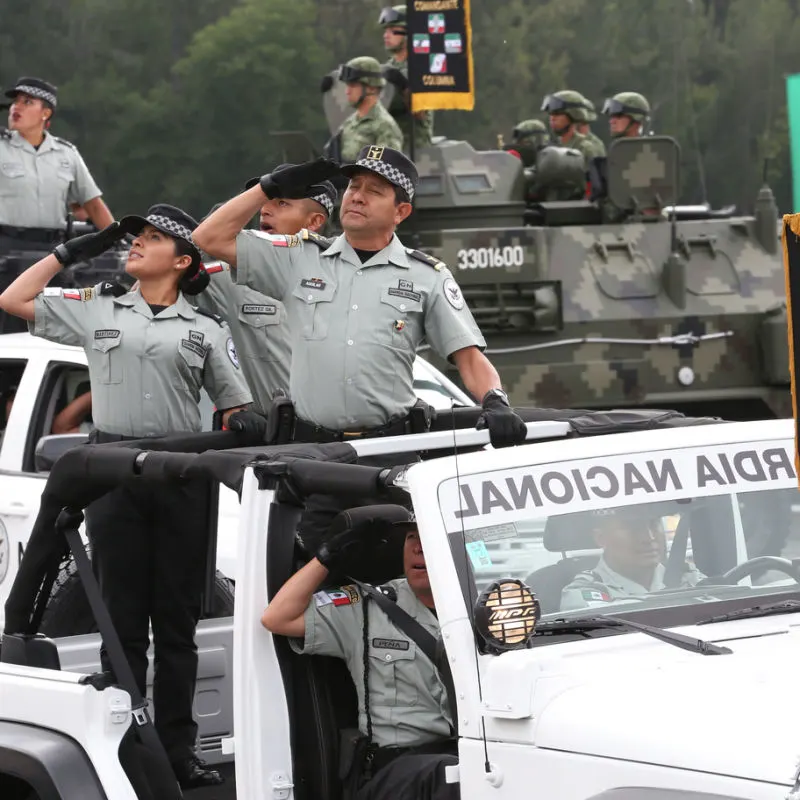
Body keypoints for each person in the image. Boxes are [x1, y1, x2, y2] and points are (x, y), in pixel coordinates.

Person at [0, 204, 254, 789]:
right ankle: (127, 749)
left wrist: (243, 425)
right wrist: (76, 250)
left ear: (183, 260)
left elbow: (235, 406)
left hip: (181, 475)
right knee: (120, 623)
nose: (135, 243)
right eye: (134, 236)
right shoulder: (99, 309)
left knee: (177, 621)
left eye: (151, 238)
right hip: (112, 471)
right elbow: (14, 299)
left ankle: (177, 748)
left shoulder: (206, 330)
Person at [193, 149, 528, 551]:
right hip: (315, 459)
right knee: (306, 589)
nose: (356, 196)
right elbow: (208, 238)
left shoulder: (426, 277)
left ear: (401, 211)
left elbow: (469, 357)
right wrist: (270, 187)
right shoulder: (299, 257)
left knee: (396, 579)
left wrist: (495, 400)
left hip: (388, 458)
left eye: (374, 191)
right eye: (353, 186)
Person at [261, 508, 458, 800]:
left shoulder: (493, 608)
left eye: (428, 536)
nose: (417, 548)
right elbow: (277, 618)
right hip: (394, 770)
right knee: (450, 777)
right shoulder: (367, 607)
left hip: (466, 755)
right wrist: (327, 557)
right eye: (411, 538)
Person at [197, 174, 338, 411]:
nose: (264, 210)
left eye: (282, 203)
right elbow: (156, 294)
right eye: (265, 201)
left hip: (341, 434)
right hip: (266, 436)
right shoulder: (225, 277)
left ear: (314, 222)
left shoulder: (345, 272)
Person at [1, 77, 113, 240]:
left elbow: (93, 205)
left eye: (27, 102)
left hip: (52, 251)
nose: (16, 107)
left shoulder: (66, 153)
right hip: (6, 248)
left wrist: (118, 240)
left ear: (45, 113)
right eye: (15, 101)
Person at [560, 506, 703, 611]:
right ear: (601, 538)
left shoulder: (688, 578)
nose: (649, 538)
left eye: (654, 524)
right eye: (633, 527)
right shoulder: (583, 594)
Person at [378, 5, 434, 151]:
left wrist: (404, 86)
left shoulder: (423, 67)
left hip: (416, 151)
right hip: (390, 148)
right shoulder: (387, 68)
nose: (386, 35)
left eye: (392, 30)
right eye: (385, 30)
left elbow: (420, 114)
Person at [332, 58, 403, 163]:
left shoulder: (385, 126)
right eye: (347, 86)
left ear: (372, 88)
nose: (347, 91)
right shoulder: (348, 124)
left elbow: (385, 171)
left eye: (353, 85)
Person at [540, 90, 601, 164]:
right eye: (551, 113)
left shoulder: (585, 149)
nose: (552, 118)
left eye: (557, 113)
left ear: (573, 115)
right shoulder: (551, 147)